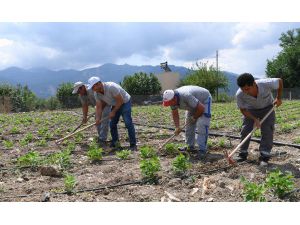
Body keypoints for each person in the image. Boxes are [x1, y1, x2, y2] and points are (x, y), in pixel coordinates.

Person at [235, 73, 283, 166]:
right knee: (245, 130)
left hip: (268, 107)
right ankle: (242, 153)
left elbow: (279, 81)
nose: (245, 92)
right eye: (242, 89)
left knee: (267, 130)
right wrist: (254, 119)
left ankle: (264, 155)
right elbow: (243, 110)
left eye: (247, 89)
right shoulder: (240, 94)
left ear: (254, 83)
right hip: (251, 110)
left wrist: (279, 98)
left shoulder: (264, 84)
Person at [87, 76, 137, 151]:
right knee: (112, 124)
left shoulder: (111, 87)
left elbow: (120, 101)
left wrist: (113, 112)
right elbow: (99, 107)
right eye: (92, 88)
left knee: (128, 123)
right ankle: (115, 142)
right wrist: (98, 118)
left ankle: (133, 144)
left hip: (125, 102)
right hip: (115, 104)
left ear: (99, 84)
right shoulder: (96, 94)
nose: (93, 89)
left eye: (94, 87)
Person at [162, 85, 212, 159]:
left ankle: (202, 150)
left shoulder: (186, 96)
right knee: (189, 125)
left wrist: (194, 117)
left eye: (170, 103)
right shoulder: (171, 100)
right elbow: (175, 113)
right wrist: (177, 127)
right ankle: (189, 147)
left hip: (204, 100)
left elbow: (201, 108)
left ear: (174, 99)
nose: (170, 105)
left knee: (202, 124)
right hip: (192, 104)